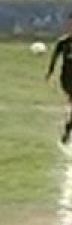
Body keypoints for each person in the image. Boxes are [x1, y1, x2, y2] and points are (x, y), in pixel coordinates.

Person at [46, 14, 72, 146]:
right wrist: (50, 72)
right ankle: (67, 131)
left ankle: (68, 129)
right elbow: (54, 58)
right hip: (68, 78)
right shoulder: (63, 43)